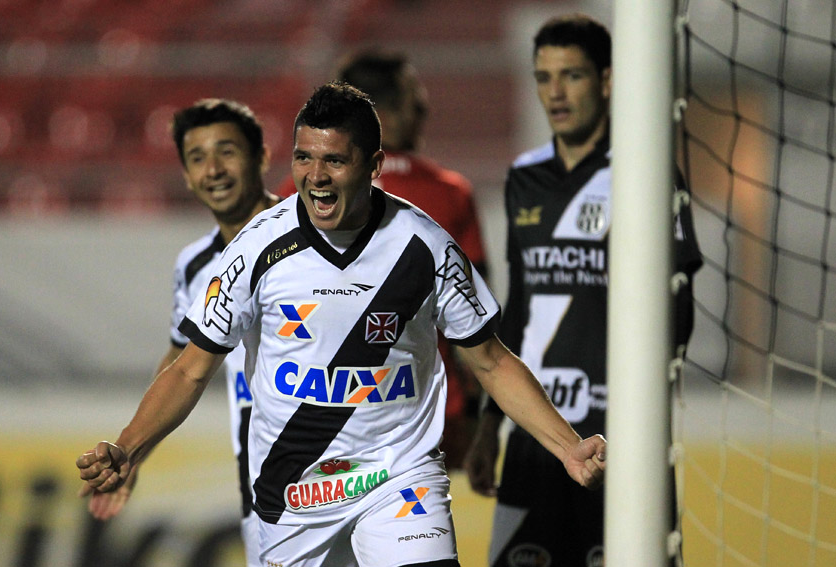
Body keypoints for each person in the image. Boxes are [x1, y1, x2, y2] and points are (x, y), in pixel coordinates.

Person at [77, 82, 607, 567]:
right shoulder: (256, 248)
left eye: (334, 159)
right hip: (293, 490)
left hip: (397, 476)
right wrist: (128, 446)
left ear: (374, 164)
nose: (316, 176)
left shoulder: (425, 246)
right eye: (303, 157)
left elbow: (490, 362)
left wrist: (567, 446)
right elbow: (190, 369)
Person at [462, 13, 703, 567]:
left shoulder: (646, 172)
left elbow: (679, 307)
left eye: (571, 75)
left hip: (618, 437)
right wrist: (489, 424)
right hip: (535, 434)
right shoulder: (524, 175)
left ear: (607, 80)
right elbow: (519, 306)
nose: (555, 92)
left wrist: (643, 412)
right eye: (543, 77)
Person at [78, 98, 279, 567]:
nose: (214, 169)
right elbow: (179, 363)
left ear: (262, 157)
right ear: (186, 176)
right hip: (263, 476)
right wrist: (134, 453)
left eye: (227, 151)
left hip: (349, 461)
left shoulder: (313, 237)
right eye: (197, 158)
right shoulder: (194, 265)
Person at [275, 49, 488, 469]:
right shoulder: (450, 193)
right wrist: (479, 416)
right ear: (380, 115)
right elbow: (475, 320)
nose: (424, 113)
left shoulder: (297, 191)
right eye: (413, 104)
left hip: (316, 409)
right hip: (427, 411)